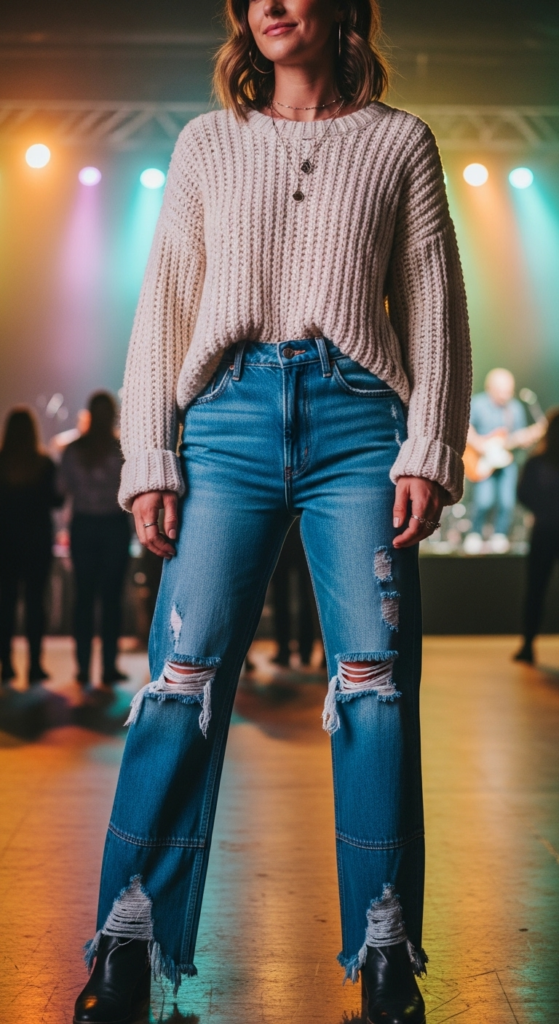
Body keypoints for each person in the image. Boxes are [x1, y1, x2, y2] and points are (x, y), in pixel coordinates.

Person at [74, 4, 471, 1024]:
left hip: (357, 429)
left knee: (373, 688)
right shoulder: (208, 142)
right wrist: (151, 453)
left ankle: (386, 947)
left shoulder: (398, 142)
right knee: (179, 682)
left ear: (342, 5)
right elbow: (163, 301)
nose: (269, 2)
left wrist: (428, 445)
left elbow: (433, 303)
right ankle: (127, 938)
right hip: (224, 424)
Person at [60, 392, 130, 686]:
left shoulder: (73, 450)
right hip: (113, 525)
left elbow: (62, 488)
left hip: (84, 525)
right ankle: (109, 667)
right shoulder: (122, 448)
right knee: (111, 599)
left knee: (84, 598)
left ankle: (83, 667)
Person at [0, 408, 62, 684]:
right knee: (36, 604)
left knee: (5, 604)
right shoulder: (44, 464)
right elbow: (56, 502)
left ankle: (7, 666)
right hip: (37, 541)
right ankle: (35, 665)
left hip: (5, 542)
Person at [465, 369, 527, 553]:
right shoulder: (478, 403)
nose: (506, 394)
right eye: (502, 389)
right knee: (484, 500)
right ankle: (475, 533)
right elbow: (466, 428)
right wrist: (482, 446)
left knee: (507, 501)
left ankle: (500, 534)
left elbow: (517, 436)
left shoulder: (515, 408)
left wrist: (524, 439)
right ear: (491, 387)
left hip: (506, 461)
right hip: (483, 460)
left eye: (509, 390)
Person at [515, 409, 559, 665]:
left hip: (543, 531)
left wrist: (542, 512)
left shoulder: (536, 462)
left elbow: (522, 493)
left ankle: (528, 645)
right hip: (546, 529)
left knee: (535, 590)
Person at [271, 520, 316, 667]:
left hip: (282, 534)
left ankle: (284, 650)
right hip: (303, 531)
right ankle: (305, 652)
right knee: (307, 595)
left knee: (281, 596)